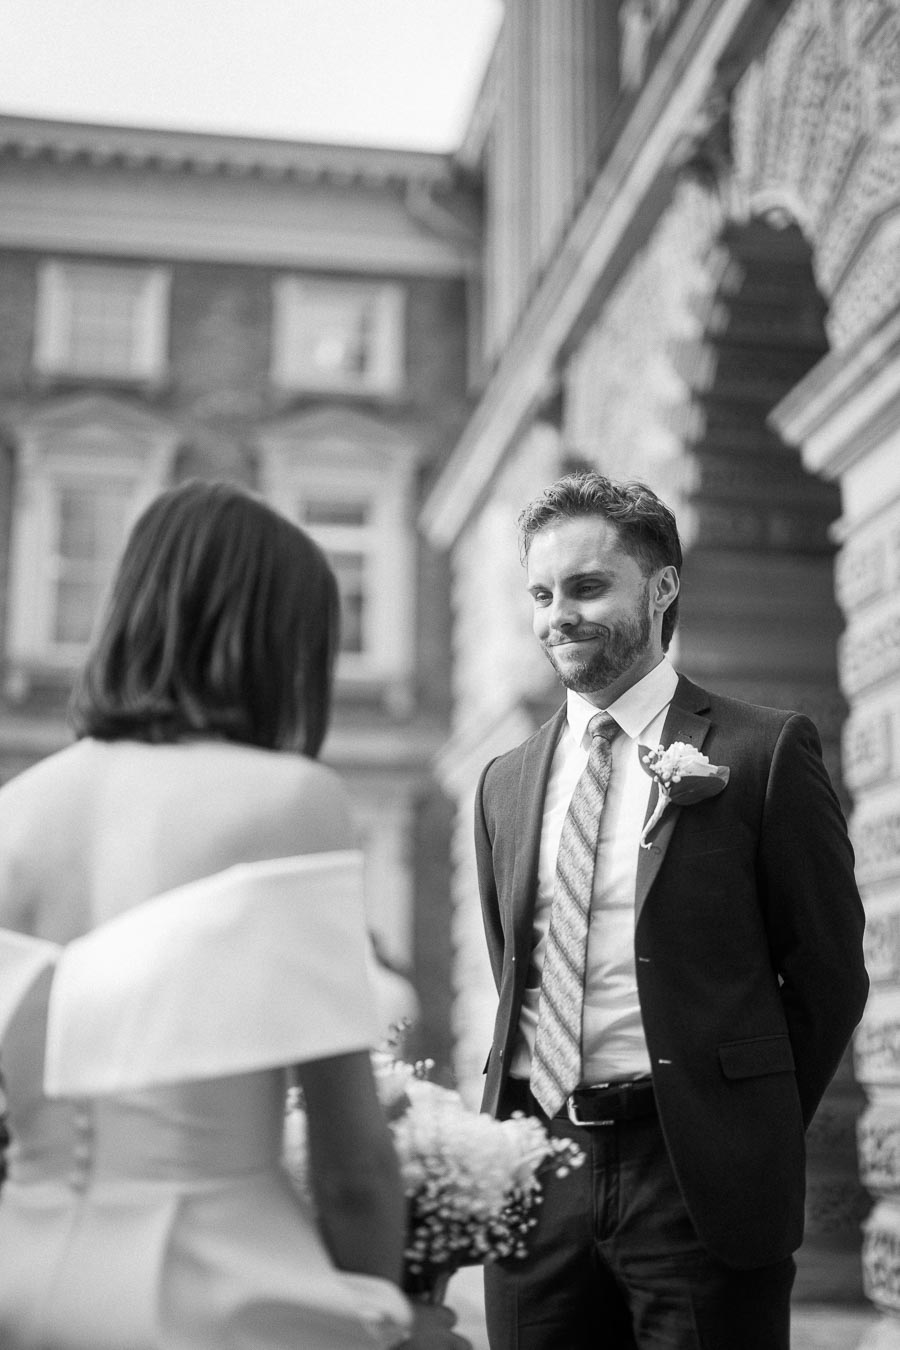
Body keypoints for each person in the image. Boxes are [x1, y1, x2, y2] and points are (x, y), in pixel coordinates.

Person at [0, 479, 468, 1350]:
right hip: (210, 1289)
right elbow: (352, 1164)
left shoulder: (13, 812)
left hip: (20, 1280)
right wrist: (384, 1319)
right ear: (274, 642)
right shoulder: (288, 799)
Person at [474, 471, 868, 1349]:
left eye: (585, 587)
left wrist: (738, 1122)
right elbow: (515, 970)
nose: (557, 616)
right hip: (539, 1175)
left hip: (696, 1175)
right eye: (541, 594)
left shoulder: (763, 754)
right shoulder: (504, 784)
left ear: (661, 588)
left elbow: (829, 973)